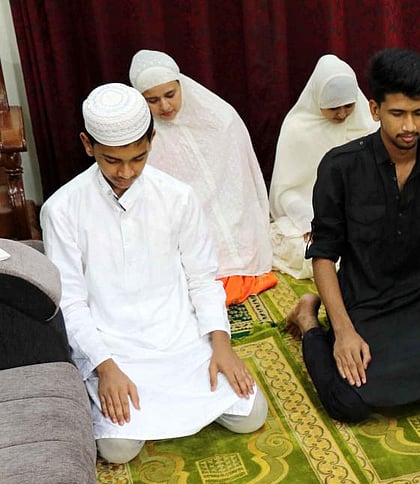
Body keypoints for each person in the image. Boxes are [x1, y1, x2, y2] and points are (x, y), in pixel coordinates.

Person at [41, 83, 268, 464]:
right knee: (117, 450)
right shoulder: (61, 209)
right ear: (87, 145)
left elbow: (202, 277)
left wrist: (221, 344)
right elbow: (71, 301)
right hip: (115, 347)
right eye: (113, 160)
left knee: (251, 416)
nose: (126, 172)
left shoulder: (178, 196)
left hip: (180, 338)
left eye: (139, 158)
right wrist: (105, 367)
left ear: (151, 141)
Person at [285, 49, 420, 423]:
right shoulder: (341, 167)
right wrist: (343, 331)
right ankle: (308, 321)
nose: (409, 127)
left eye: (419, 113)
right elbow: (323, 255)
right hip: (361, 308)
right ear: (374, 109)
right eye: (397, 114)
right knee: (348, 403)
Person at [129, 49, 274, 304]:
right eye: (152, 100)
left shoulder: (220, 117)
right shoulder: (141, 139)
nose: (164, 106)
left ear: (181, 85)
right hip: (184, 221)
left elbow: (241, 183)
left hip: (232, 214)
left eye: (170, 95)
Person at [269, 54, 377, 279]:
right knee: (301, 249)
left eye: (348, 105)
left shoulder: (366, 121)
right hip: (312, 215)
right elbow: (285, 192)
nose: (342, 114)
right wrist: (312, 222)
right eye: (333, 108)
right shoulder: (297, 128)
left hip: (362, 213)